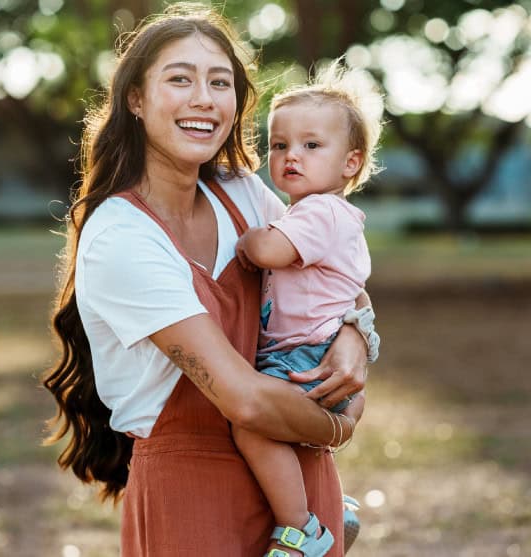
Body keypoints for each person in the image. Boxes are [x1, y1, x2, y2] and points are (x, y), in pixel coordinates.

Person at [41, 5, 375, 556]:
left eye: (219, 82)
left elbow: (334, 273)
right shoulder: (121, 235)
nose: (204, 98)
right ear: (136, 99)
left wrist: (356, 336)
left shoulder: (242, 193)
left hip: (298, 480)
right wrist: (342, 424)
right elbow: (244, 401)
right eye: (180, 79)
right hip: (195, 492)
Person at [232, 63, 383, 557]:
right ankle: (332, 507)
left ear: (350, 163)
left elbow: (268, 253)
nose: (291, 155)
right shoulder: (312, 213)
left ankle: (302, 529)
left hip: (304, 356)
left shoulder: (321, 212)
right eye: (279, 145)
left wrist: (252, 238)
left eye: (311, 146)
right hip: (306, 352)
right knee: (285, 436)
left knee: (251, 425)